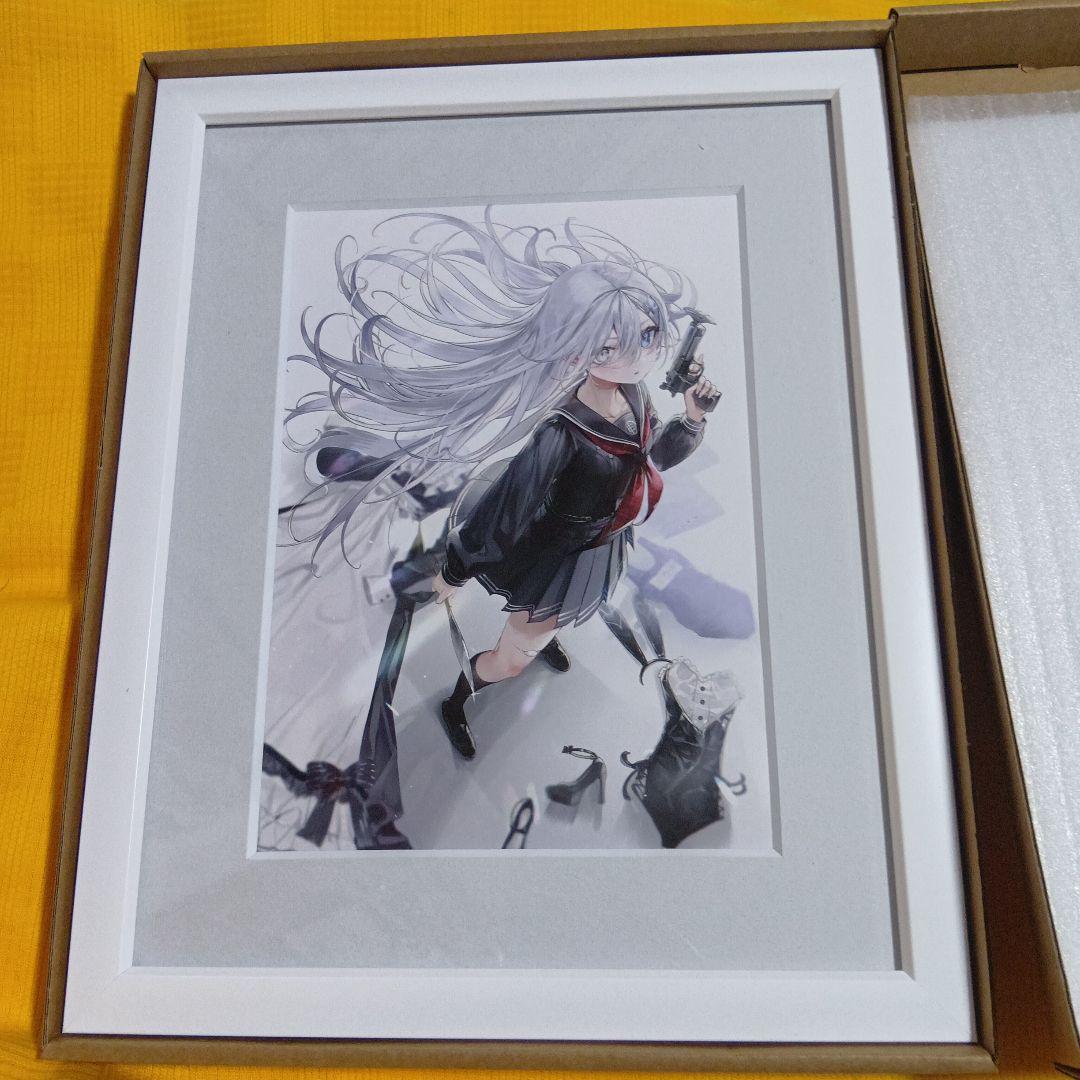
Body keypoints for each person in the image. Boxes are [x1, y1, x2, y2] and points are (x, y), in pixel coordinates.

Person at [283, 205, 718, 760]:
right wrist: (454, 571)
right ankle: (459, 699)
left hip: (601, 548)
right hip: (554, 556)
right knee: (510, 662)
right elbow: (504, 509)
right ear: (577, 352)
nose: (640, 356)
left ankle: (537, 633)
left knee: (541, 630)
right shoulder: (560, 433)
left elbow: (648, 461)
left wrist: (692, 420)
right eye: (612, 347)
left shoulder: (634, 394)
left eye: (647, 335)